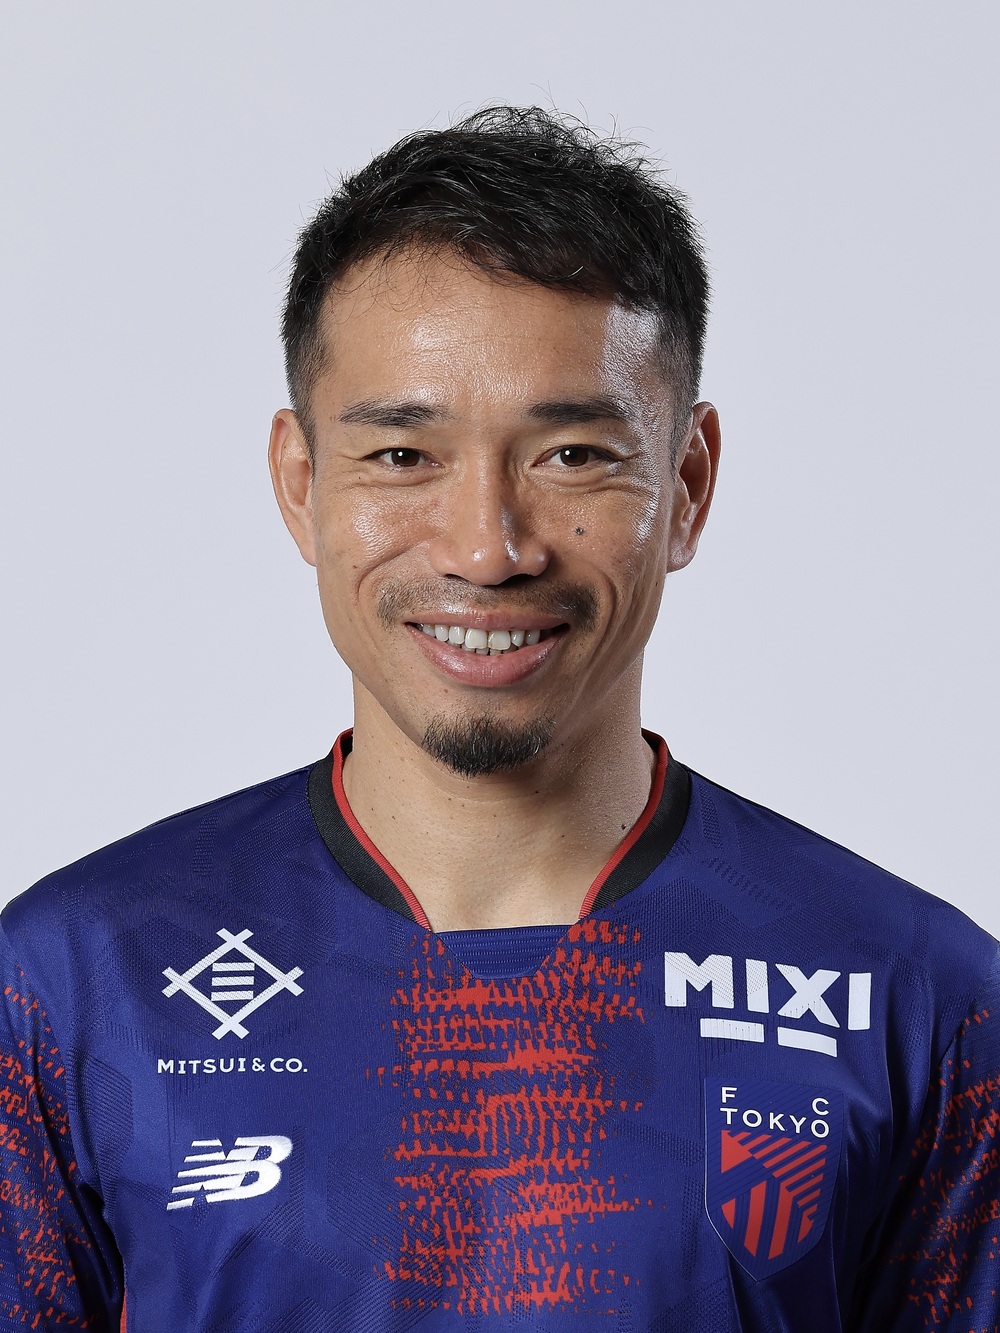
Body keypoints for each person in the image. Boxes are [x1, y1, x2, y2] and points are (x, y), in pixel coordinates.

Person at [1, 106, 997, 1333]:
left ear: (686, 484)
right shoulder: (73, 980)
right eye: (402, 456)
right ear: (301, 485)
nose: (488, 547)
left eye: (572, 454)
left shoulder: (916, 993)